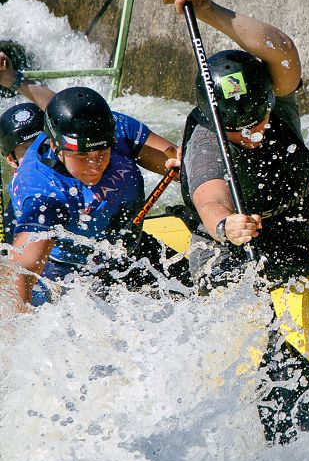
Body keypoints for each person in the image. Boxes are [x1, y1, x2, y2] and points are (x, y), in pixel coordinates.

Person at [169, 0, 309, 445]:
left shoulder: (269, 98)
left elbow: (282, 50)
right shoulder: (207, 139)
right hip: (228, 250)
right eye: (243, 129)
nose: (257, 133)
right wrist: (226, 224)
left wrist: (211, 10)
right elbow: (210, 199)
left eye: (261, 121)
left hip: (290, 235)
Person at [5, 87, 191, 312]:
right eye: (82, 156)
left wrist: (185, 166)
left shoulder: (115, 128)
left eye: (103, 152)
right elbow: (21, 273)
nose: (95, 165)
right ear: (56, 147)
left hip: (128, 248)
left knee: (197, 292)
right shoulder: (45, 192)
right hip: (68, 272)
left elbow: (183, 166)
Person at [0, 101, 44, 243]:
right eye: (28, 149)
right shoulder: (15, 216)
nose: (36, 154)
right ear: (11, 159)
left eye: (43, 144)